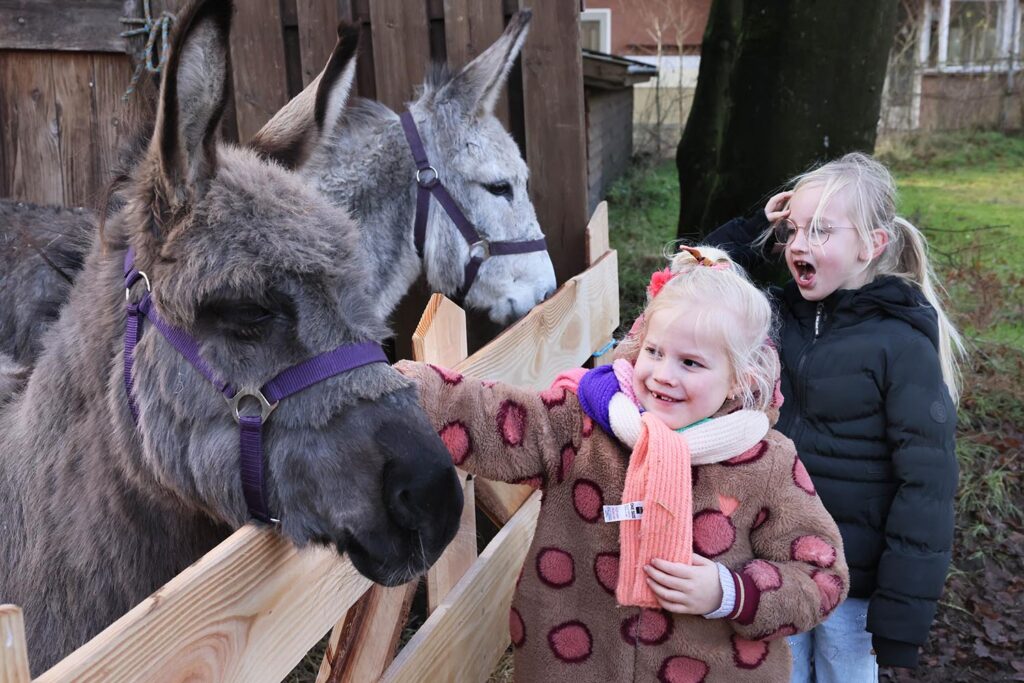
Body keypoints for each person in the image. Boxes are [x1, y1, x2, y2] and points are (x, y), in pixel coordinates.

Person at [396, 245, 848, 682]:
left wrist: (730, 593)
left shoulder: (764, 462)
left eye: (691, 363)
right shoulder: (584, 422)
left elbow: (822, 576)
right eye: (655, 352)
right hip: (571, 661)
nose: (664, 375)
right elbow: (499, 420)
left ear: (737, 381)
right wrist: (403, 393)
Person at [706, 152, 963, 680]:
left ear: (871, 246)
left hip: (856, 586)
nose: (799, 244)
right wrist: (755, 226)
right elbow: (700, 283)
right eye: (793, 229)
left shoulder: (901, 346)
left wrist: (900, 618)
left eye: (820, 230)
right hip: (779, 563)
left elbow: (927, 488)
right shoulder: (773, 318)